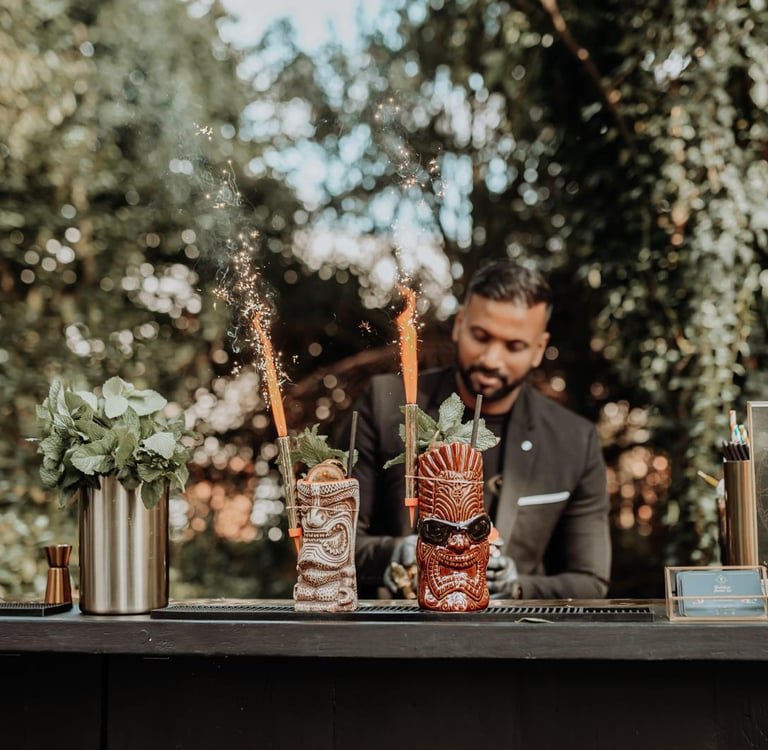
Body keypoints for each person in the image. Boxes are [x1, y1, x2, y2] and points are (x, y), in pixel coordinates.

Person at [344, 259, 611, 600]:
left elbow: (590, 582)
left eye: (514, 346)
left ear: (538, 350)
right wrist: (398, 553)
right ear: (459, 325)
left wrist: (516, 587)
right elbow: (337, 542)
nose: (491, 359)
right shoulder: (387, 405)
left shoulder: (574, 439)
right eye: (480, 337)